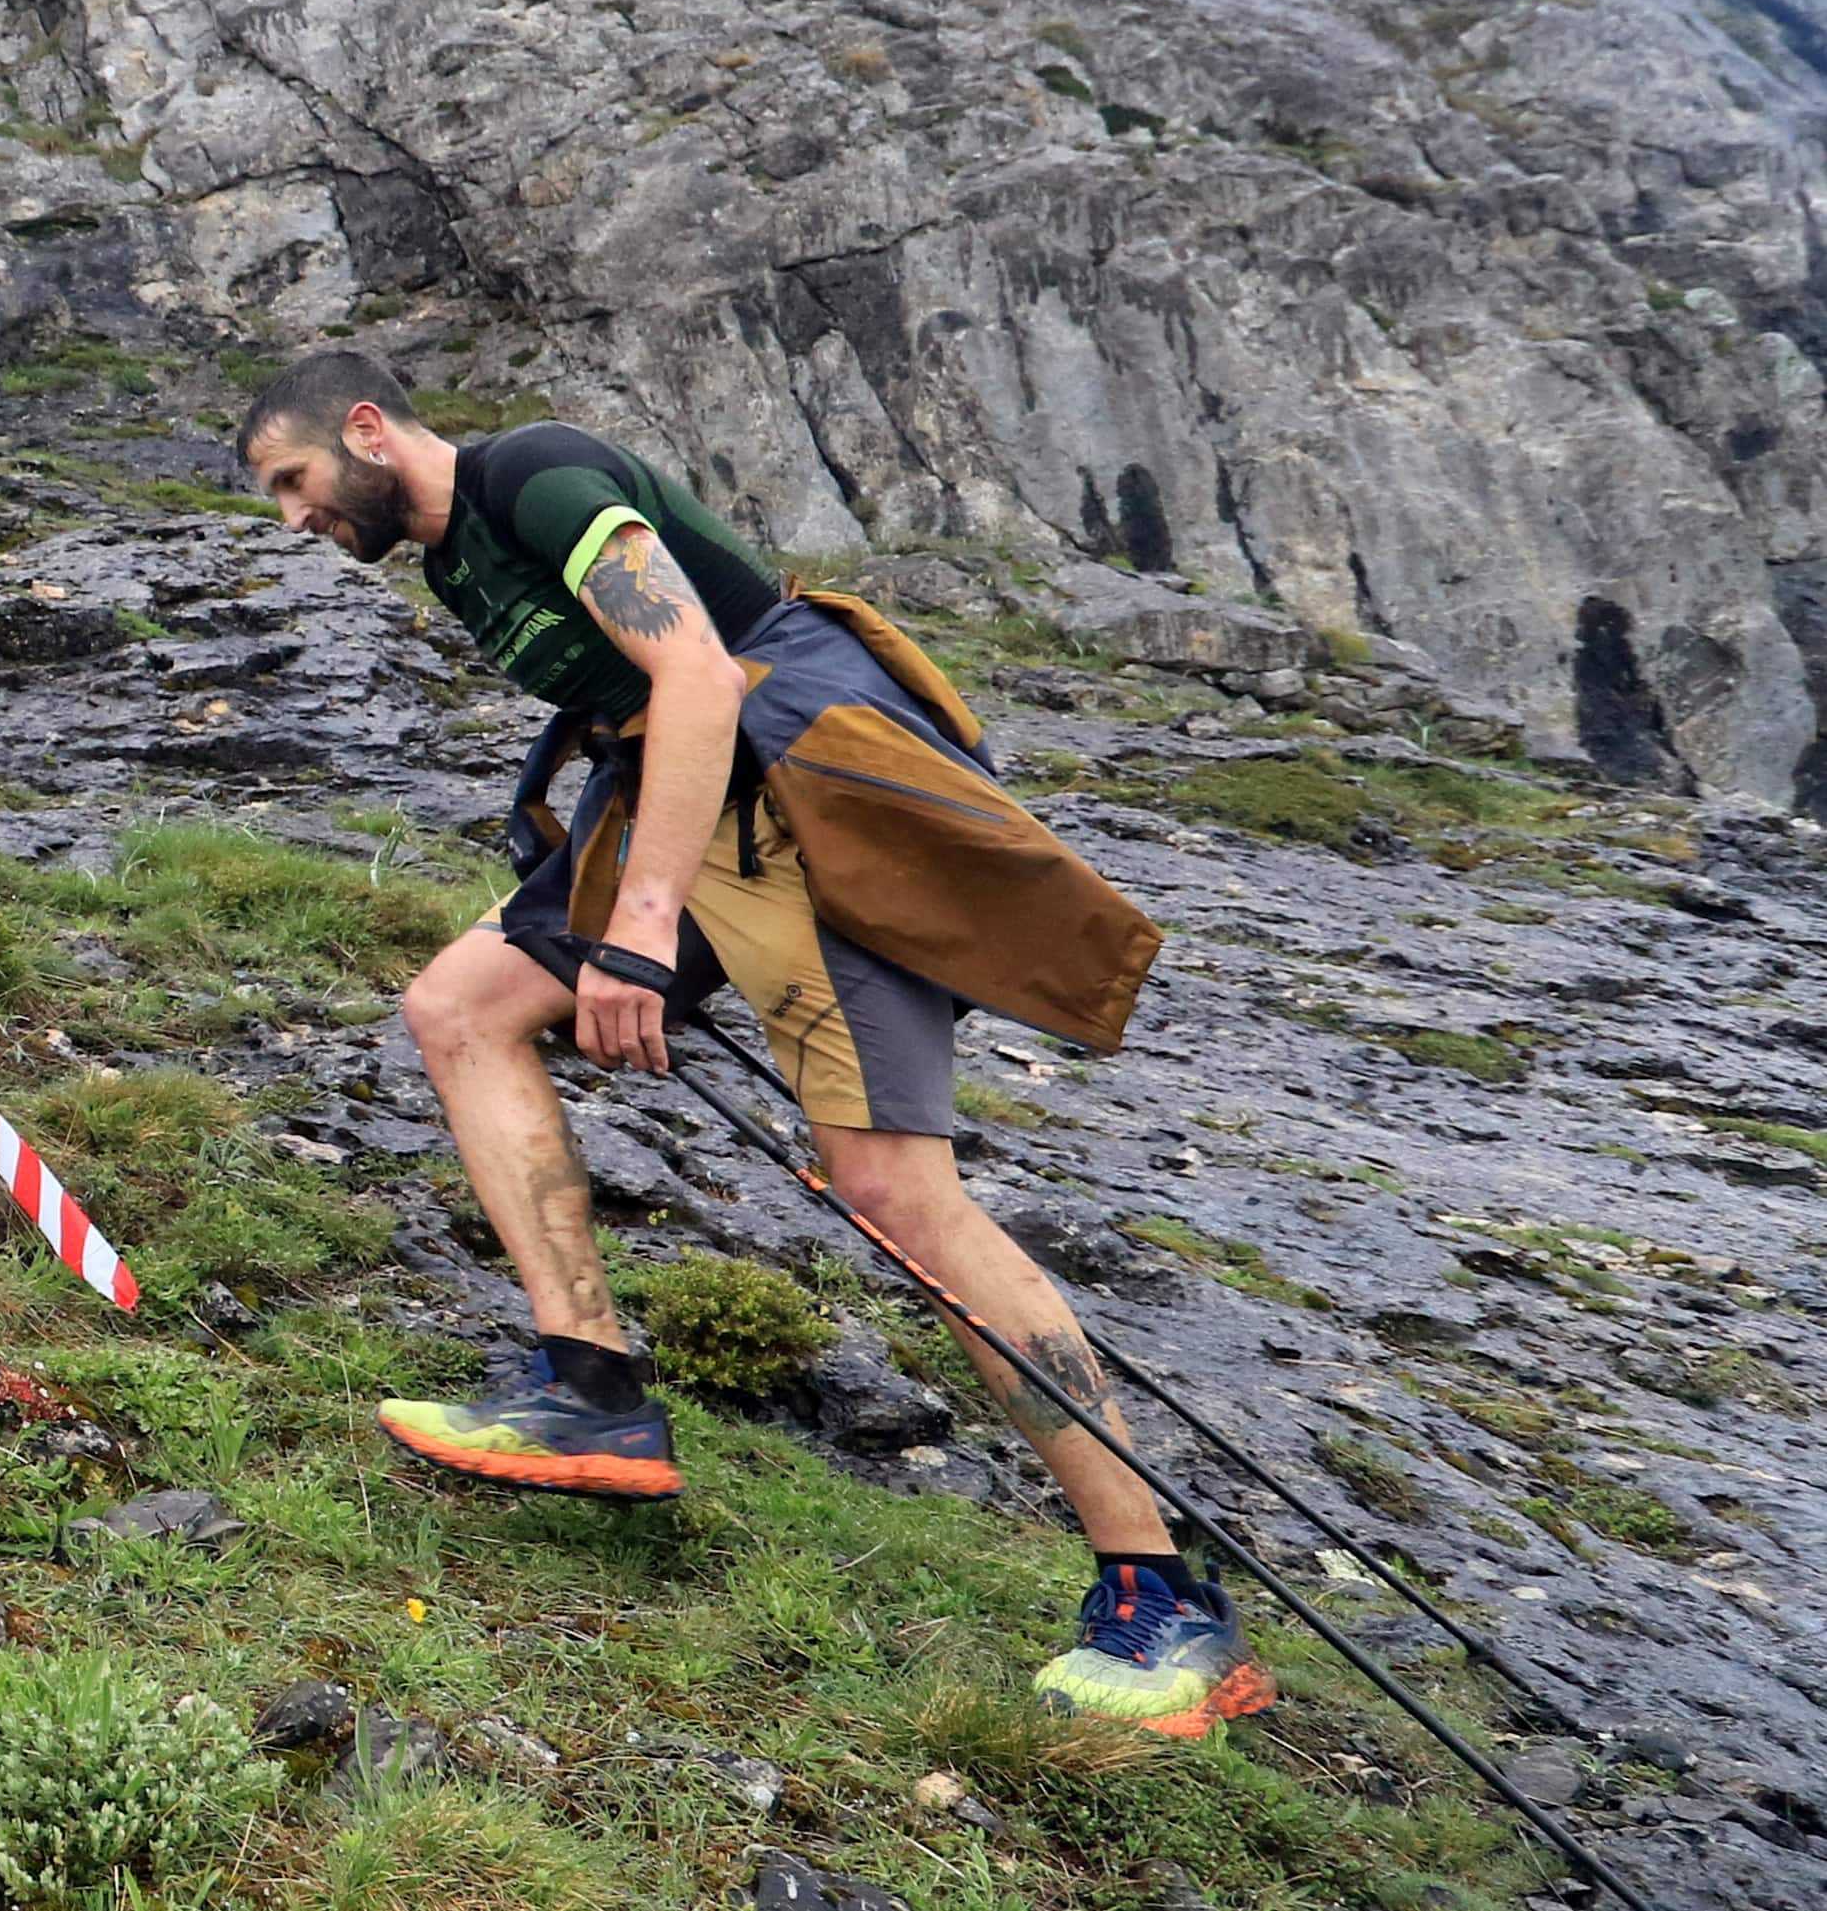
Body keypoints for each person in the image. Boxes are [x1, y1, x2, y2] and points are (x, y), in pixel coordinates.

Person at [236, 348, 1267, 1739]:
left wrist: (635, 933)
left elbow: (701, 674)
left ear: (363, 430)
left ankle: (1160, 1598)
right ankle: (588, 1385)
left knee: (896, 1192)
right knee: (458, 1009)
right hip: (674, 800)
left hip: (796, 781)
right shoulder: (447, 560)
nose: (291, 517)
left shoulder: (534, 476)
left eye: (292, 482)